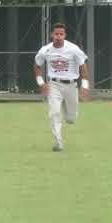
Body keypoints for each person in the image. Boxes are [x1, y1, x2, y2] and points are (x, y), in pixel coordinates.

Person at [34, 23, 90, 152]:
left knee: (71, 119)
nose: (58, 37)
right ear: (51, 35)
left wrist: (85, 85)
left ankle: (68, 112)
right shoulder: (45, 50)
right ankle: (58, 142)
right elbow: (37, 65)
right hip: (54, 84)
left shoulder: (73, 49)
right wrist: (41, 82)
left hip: (71, 85)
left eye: (61, 34)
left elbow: (83, 66)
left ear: (65, 35)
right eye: (56, 34)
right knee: (54, 113)